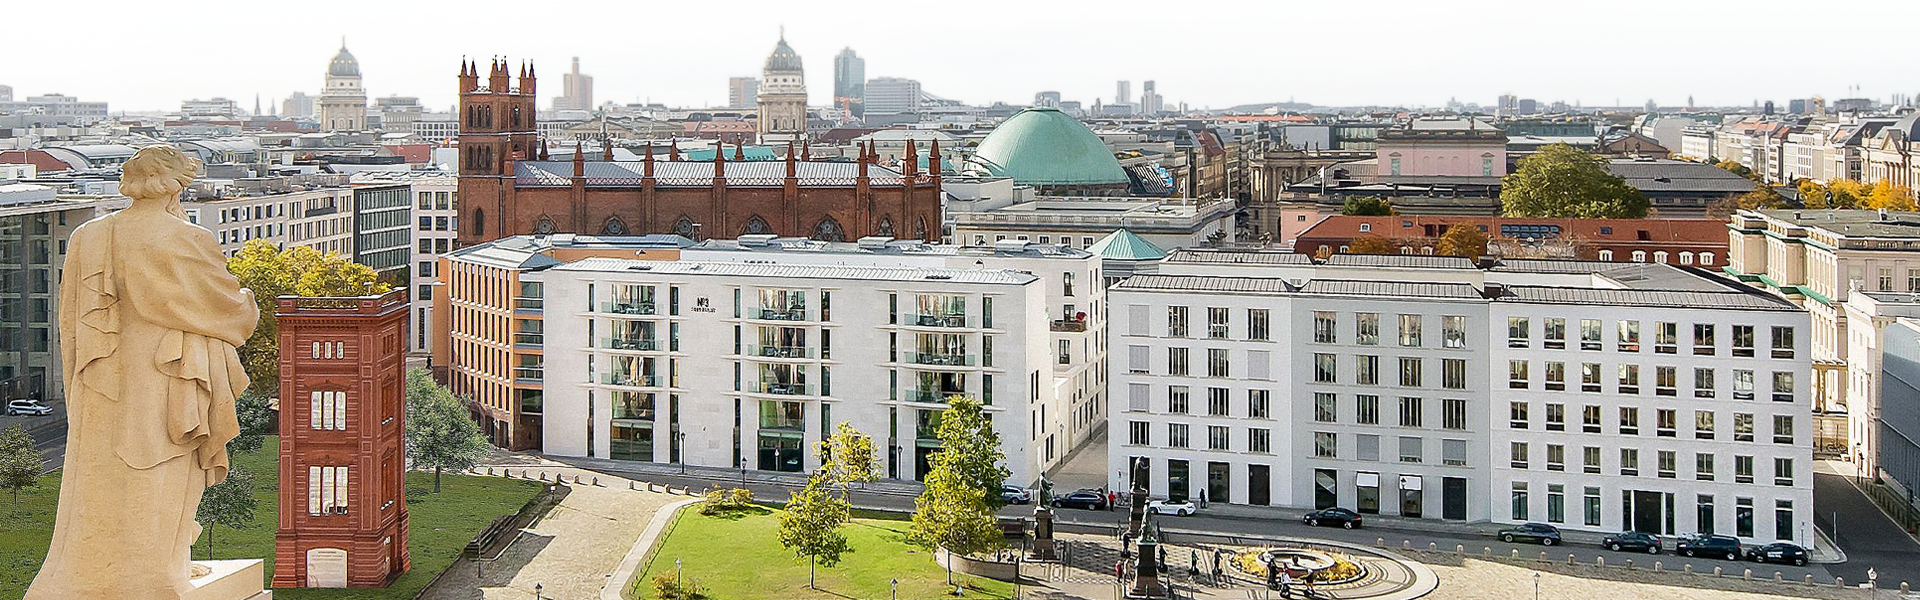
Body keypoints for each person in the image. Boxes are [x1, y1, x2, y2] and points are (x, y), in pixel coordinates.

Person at [26, 145, 256, 599]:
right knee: (164, 475)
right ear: (175, 186)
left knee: (101, 475)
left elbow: (71, 326)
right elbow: (234, 315)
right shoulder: (188, 240)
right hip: (167, 384)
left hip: (104, 385)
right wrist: (247, 299)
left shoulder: (88, 237)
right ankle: (159, 573)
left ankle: (92, 575)